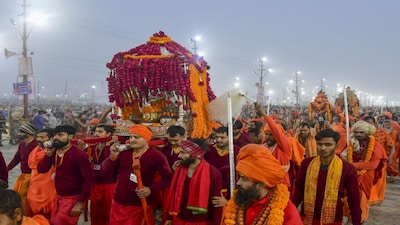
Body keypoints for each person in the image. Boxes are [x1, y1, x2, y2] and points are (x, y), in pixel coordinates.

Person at [102, 124, 172, 225]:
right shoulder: (124, 153)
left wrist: (150, 189)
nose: (132, 140)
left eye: (136, 137)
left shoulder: (157, 156)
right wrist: (112, 157)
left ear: (146, 138)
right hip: (118, 202)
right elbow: (104, 170)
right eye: (130, 137)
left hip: (140, 204)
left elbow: (168, 178)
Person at [292, 129, 361, 225]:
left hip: (333, 220)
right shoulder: (306, 164)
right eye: (319, 144)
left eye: (328, 145)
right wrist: (290, 211)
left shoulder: (348, 169)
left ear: (336, 146)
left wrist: (356, 222)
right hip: (307, 218)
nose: (323, 148)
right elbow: (298, 192)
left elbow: (354, 199)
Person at [220, 144, 302, 225]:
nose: (238, 183)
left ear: (261, 184)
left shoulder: (287, 212)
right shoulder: (237, 202)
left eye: (244, 179)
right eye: (239, 177)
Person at [37, 125, 95, 225]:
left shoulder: (78, 154)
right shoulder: (54, 151)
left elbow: (89, 179)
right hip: (58, 196)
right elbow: (41, 169)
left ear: (71, 137)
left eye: (60, 135)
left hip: (72, 198)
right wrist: (48, 154)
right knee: (53, 222)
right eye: (55, 135)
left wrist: (80, 203)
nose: (56, 138)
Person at [165, 139, 223, 225]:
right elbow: (173, 194)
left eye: (183, 153)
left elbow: (216, 203)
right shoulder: (179, 169)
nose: (179, 156)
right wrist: (169, 218)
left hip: (201, 221)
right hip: (179, 218)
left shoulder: (213, 173)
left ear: (195, 155)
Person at [342, 120, 387, 223]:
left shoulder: (376, 146)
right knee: (348, 197)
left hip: (366, 175)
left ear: (367, 133)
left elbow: (372, 165)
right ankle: (350, 218)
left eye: (361, 132)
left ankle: (360, 220)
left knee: (361, 198)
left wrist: (351, 165)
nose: (358, 134)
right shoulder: (352, 142)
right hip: (351, 174)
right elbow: (345, 156)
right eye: (356, 132)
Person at [255, 103, 291, 187]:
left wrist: (263, 114)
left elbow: (275, 129)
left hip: (281, 184)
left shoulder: (284, 147)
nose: (267, 137)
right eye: (266, 134)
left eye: (271, 134)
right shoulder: (262, 148)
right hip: (264, 183)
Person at [87, 124, 117, 225]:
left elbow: (108, 165)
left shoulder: (114, 148)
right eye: (96, 131)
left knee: (108, 213)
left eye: (100, 132)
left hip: (110, 185)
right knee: (95, 212)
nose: (96, 134)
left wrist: (108, 146)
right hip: (95, 184)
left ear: (108, 134)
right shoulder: (92, 147)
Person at [26, 128, 56, 219]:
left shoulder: (55, 152)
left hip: (48, 190)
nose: (39, 139)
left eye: (42, 137)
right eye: (38, 137)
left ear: (51, 138)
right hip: (34, 188)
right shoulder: (35, 151)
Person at [7, 123, 38, 211]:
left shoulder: (36, 145)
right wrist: (7, 168)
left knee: (24, 197)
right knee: (18, 194)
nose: (19, 134)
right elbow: (17, 158)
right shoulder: (21, 144)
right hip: (23, 175)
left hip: (33, 175)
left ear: (28, 133)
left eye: (21, 132)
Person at [205, 126, 240, 199]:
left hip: (230, 188)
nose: (218, 140)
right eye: (217, 137)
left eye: (222, 137)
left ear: (230, 137)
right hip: (210, 187)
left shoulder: (237, 151)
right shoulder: (209, 150)